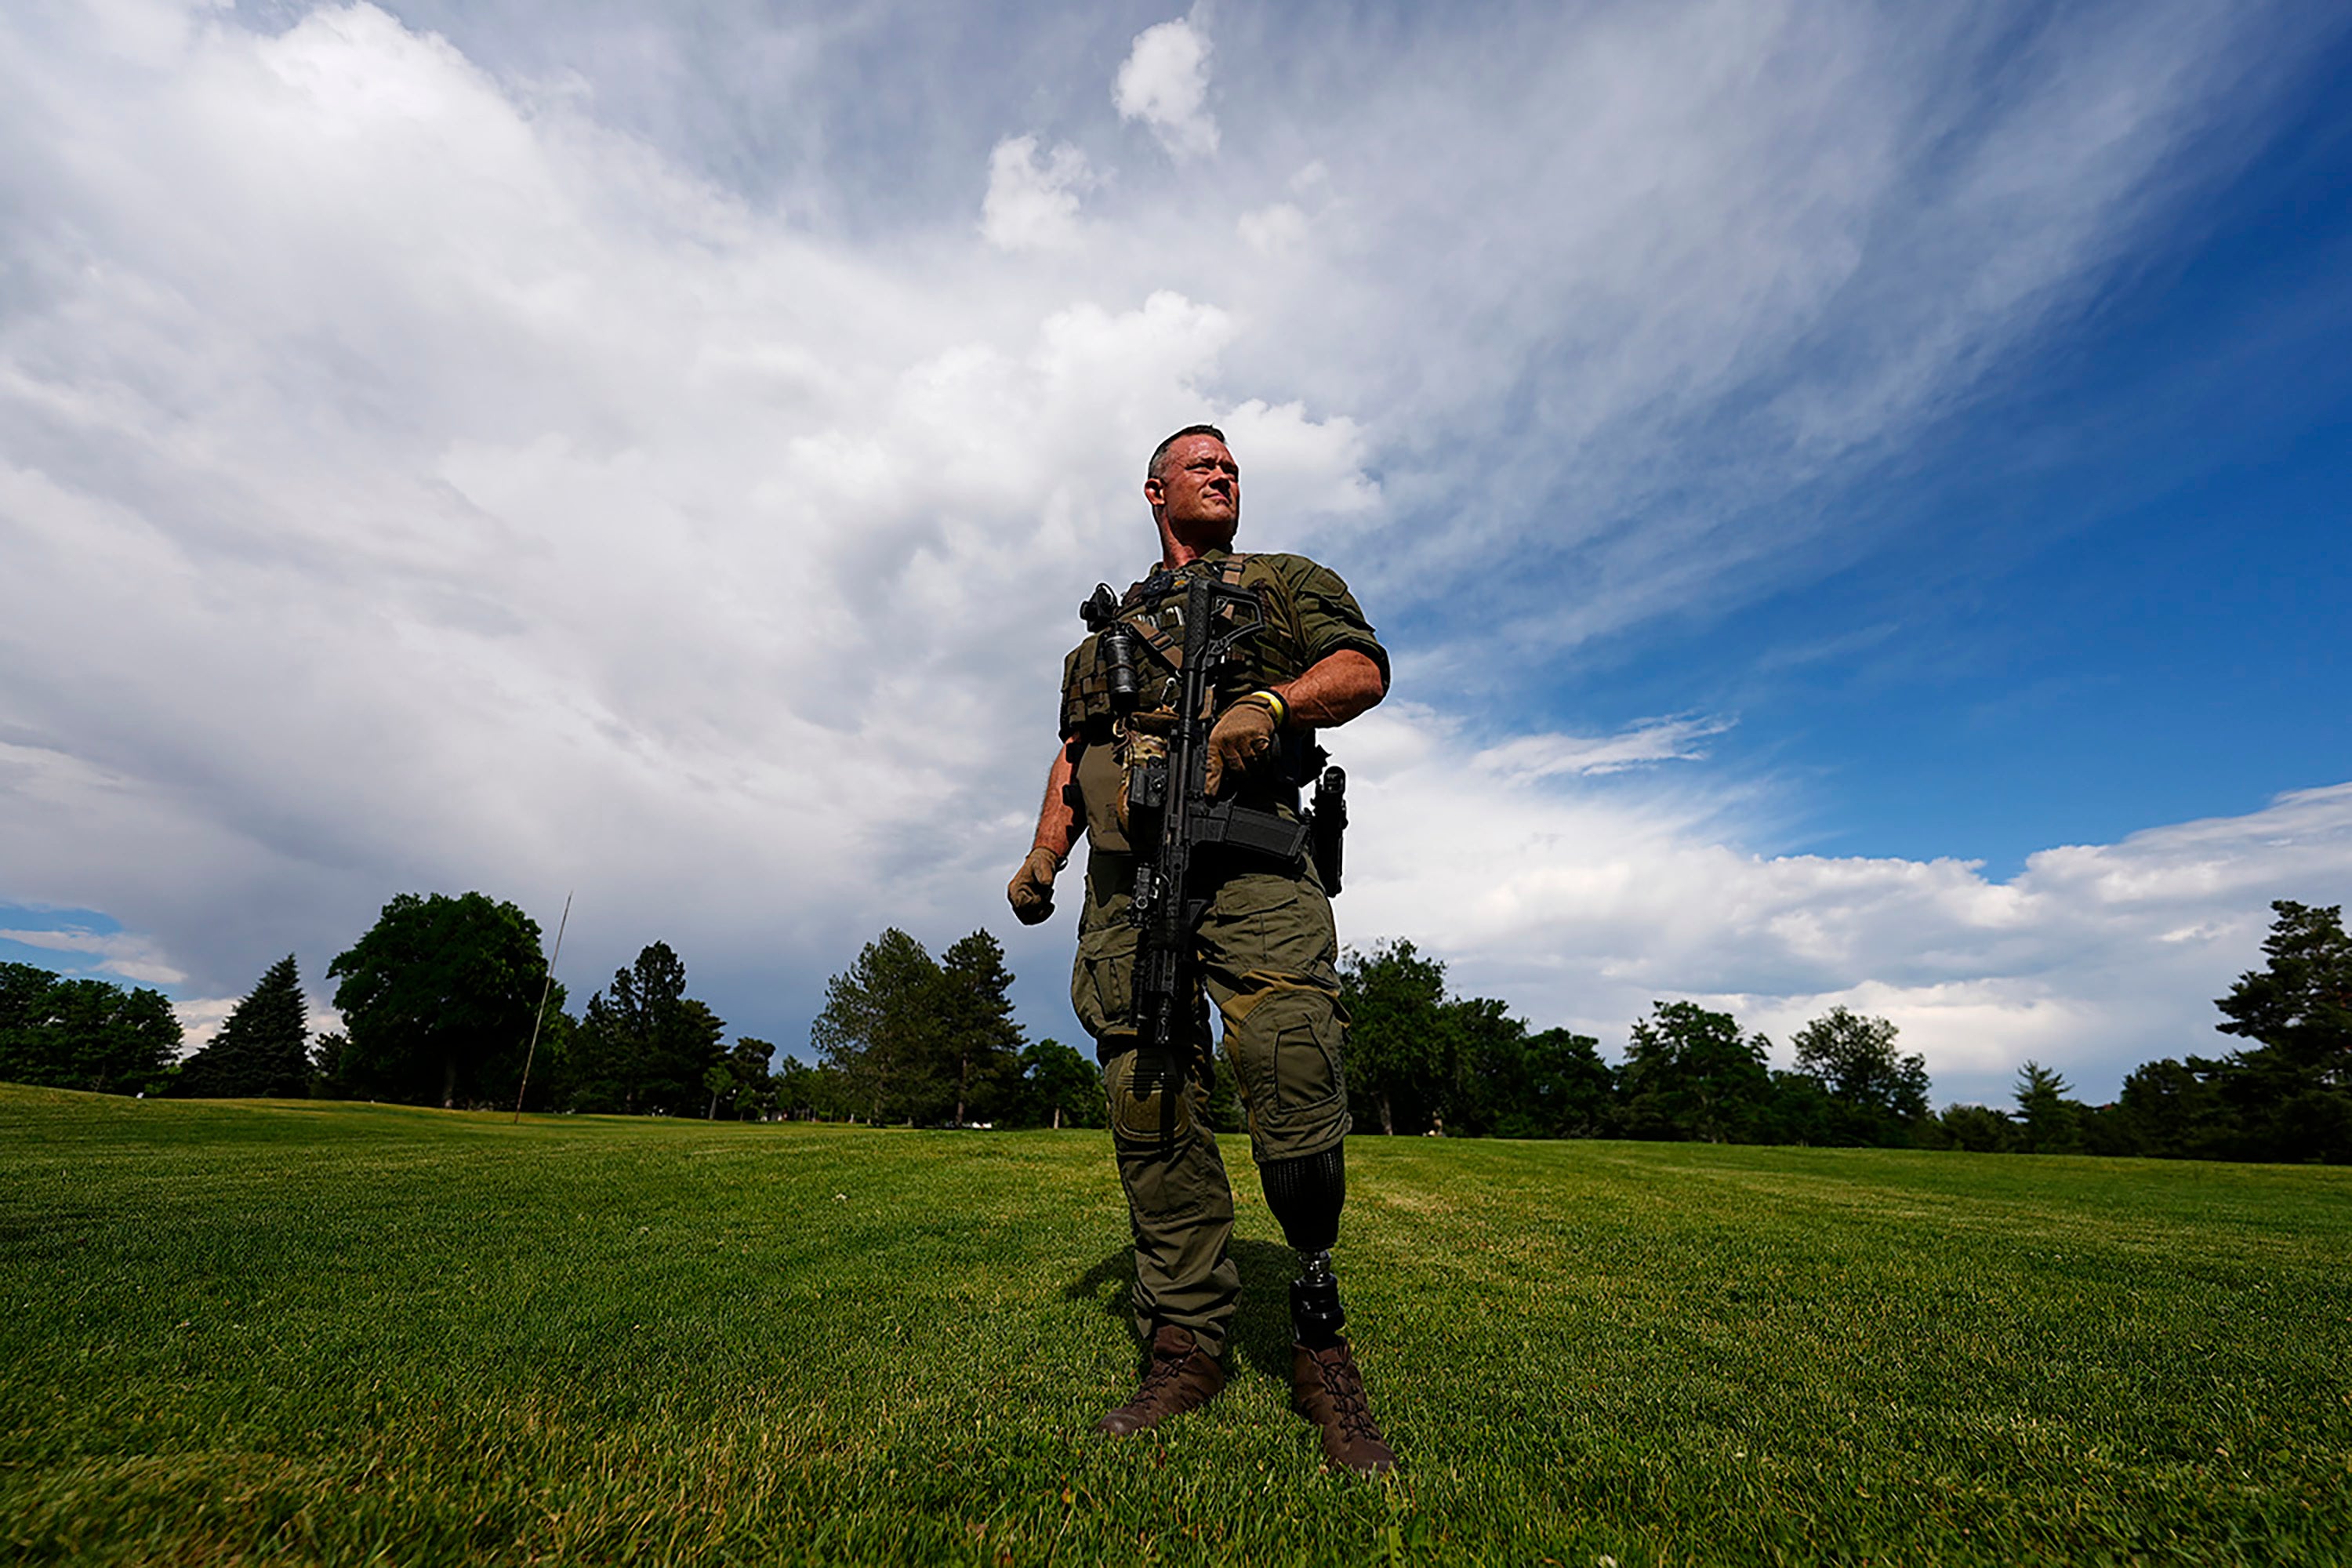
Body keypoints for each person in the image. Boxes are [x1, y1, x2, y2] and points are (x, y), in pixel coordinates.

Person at [1006, 423, 1397, 1475]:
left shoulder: (1285, 580)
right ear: (1154, 491)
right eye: (1202, 464)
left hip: (1257, 866)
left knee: (1291, 1062)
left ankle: (1318, 1335)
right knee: (1148, 1094)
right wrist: (1042, 859)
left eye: (1232, 466)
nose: (1224, 474)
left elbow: (1361, 672)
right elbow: (1076, 753)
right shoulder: (1110, 628)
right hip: (1127, 889)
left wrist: (1270, 702)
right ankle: (1184, 1345)